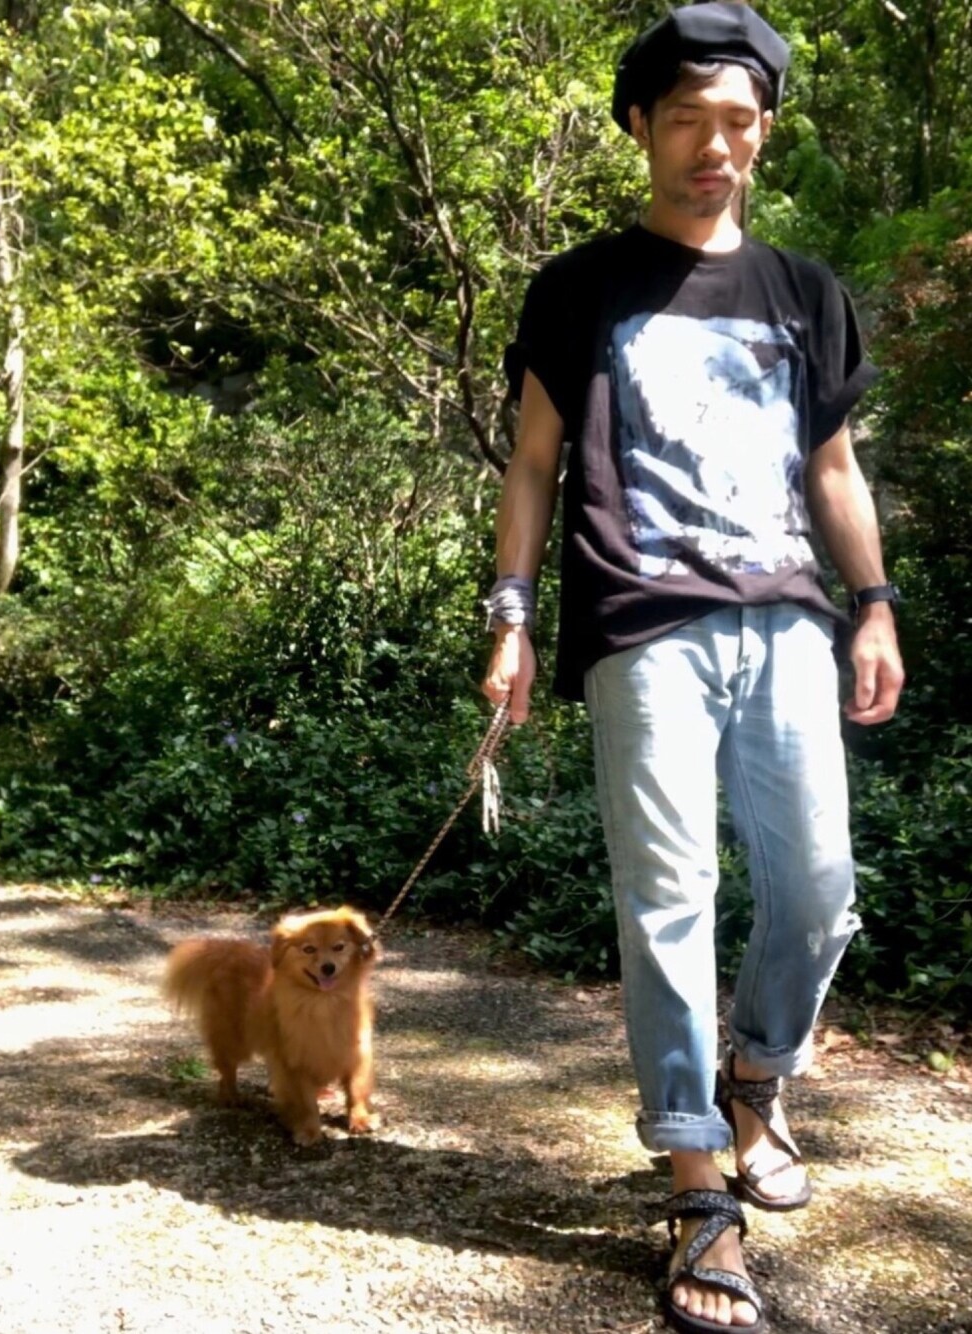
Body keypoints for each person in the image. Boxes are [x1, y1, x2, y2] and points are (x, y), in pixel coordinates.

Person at [481, 3, 905, 1331]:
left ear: (762, 132)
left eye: (738, 121)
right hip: (641, 623)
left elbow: (833, 470)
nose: (714, 145)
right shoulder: (580, 289)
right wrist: (511, 614)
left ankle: (756, 1080)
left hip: (786, 621)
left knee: (819, 889)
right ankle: (695, 1179)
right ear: (641, 128)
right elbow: (535, 465)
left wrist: (874, 604)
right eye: (686, 120)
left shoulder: (803, 293)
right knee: (671, 896)